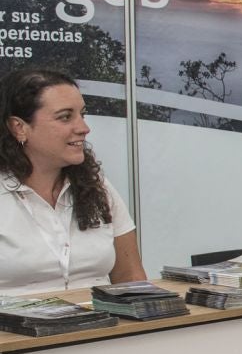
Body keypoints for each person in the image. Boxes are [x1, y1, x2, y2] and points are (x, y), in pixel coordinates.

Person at [0, 67, 145, 296]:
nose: (83, 128)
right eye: (65, 117)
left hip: (102, 328)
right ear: (19, 127)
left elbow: (131, 280)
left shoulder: (99, 187)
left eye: (82, 115)